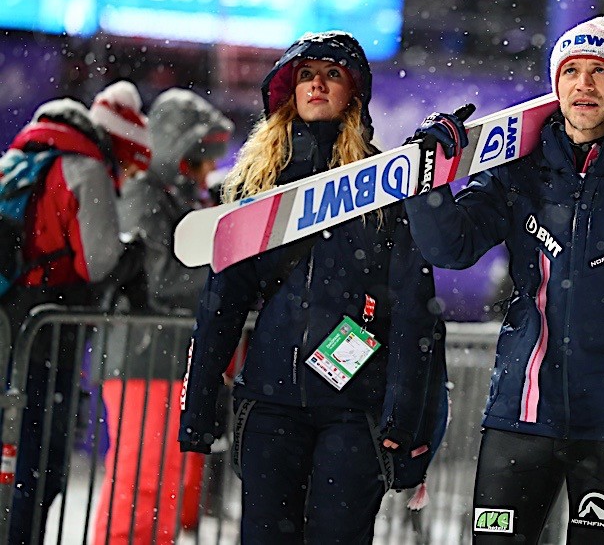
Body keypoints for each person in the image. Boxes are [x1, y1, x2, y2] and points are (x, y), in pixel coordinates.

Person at [403, 16, 604, 543]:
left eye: (599, 71)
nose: (584, 84)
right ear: (556, 85)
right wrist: (427, 178)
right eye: (571, 71)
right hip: (520, 417)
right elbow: (450, 248)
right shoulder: (517, 171)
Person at [178, 31, 442, 543]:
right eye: (306, 75)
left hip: (356, 411)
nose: (317, 85)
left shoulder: (386, 185)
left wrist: (402, 418)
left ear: (354, 93)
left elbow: (414, 309)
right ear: (288, 91)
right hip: (269, 404)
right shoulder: (255, 187)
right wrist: (200, 406)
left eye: (332, 74)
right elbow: (221, 304)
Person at [0, 82, 150, 545]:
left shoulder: (21, 158)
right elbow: (97, 262)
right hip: (48, 335)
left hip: (8, 325)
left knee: (11, 454)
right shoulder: (85, 167)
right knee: (41, 461)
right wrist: (134, 255)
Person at [94, 88, 234, 545]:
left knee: (164, 480)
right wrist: (230, 276)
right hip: (143, 357)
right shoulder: (145, 193)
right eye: (203, 156)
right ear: (180, 150)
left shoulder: (176, 197)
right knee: (141, 477)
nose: (209, 169)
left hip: (165, 357)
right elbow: (160, 281)